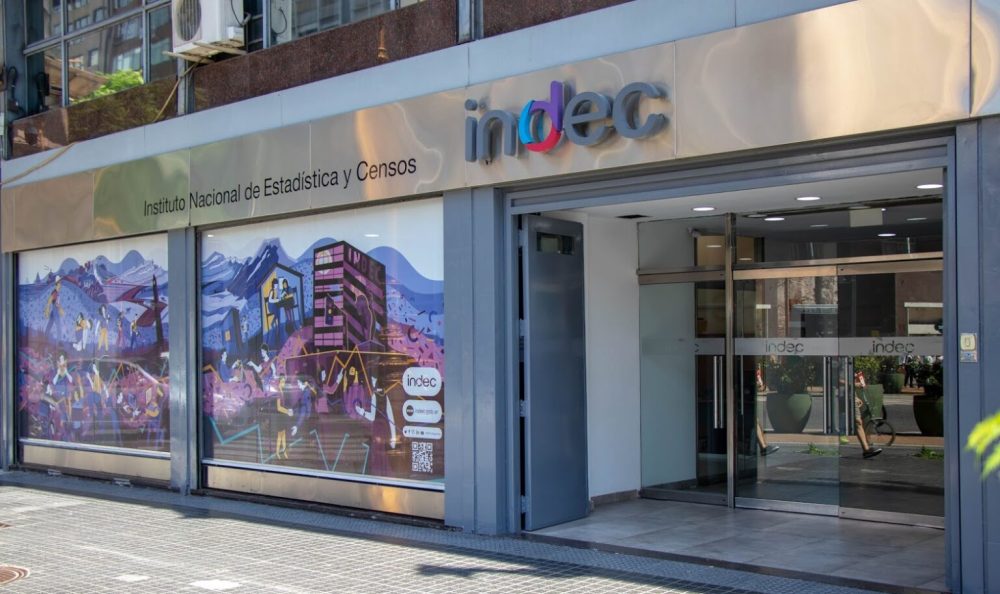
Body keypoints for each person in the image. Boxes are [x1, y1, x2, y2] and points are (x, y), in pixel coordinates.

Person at [854, 371, 883, 459]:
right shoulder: (840, 365)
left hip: (850, 396)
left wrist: (855, 397)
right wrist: (854, 384)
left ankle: (866, 449)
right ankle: (866, 449)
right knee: (857, 422)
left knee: (858, 422)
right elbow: (836, 380)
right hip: (842, 395)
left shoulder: (848, 365)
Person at [44, 276, 65, 342]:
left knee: (50, 324)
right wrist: (47, 310)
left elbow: (57, 303)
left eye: (61, 283)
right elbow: (50, 301)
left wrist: (60, 309)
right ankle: (59, 341)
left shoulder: (57, 292)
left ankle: (45, 336)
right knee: (58, 326)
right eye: (60, 283)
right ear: (57, 284)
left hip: (54, 310)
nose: (61, 285)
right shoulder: (55, 292)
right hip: (55, 310)